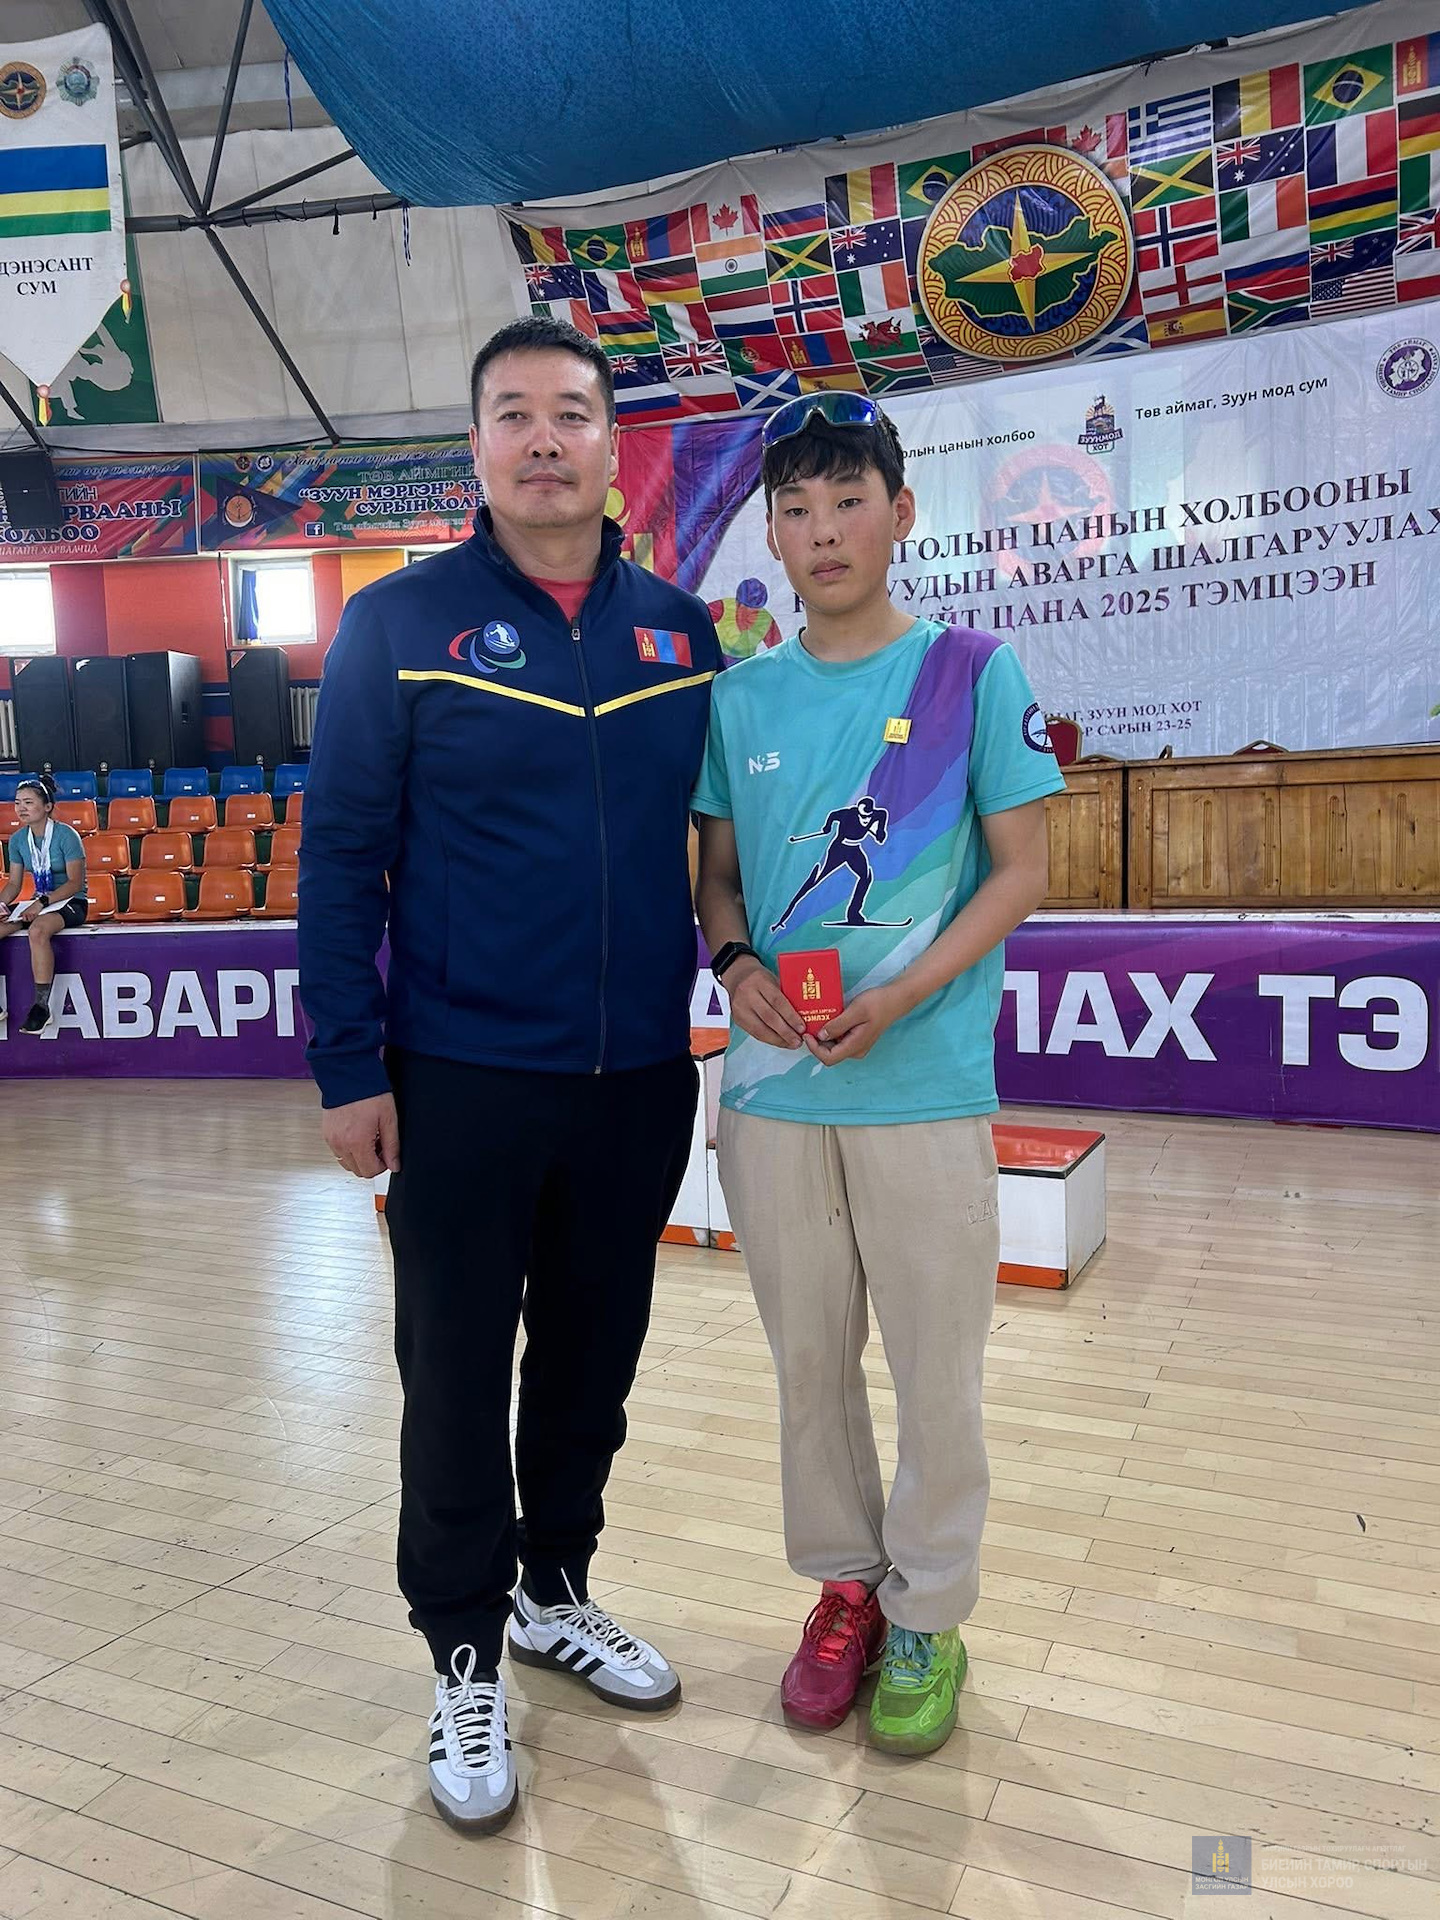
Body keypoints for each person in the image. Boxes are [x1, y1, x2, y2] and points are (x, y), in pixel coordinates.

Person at [298, 316, 724, 1835]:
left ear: (612, 444)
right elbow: (339, 857)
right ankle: (464, 1648)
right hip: (461, 1078)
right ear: (474, 446)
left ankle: (554, 1588)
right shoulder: (394, 624)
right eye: (514, 414)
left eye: (572, 413)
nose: (545, 439)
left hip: (638, 1079)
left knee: (594, 1366)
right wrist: (347, 1061)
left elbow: (722, 841)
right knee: (459, 1373)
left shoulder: (683, 631)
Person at [692, 392, 1063, 1757]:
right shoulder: (738, 697)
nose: (823, 530)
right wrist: (735, 961)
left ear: (900, 513)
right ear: (773, 537)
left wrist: (904, 994)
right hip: (772, 1093)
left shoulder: (972, 671)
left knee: (935, 1368)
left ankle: (931, 1611)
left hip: (924, 1083)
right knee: (809, 1363)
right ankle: (846, 1590)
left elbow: (1022, 870)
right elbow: (718, 878)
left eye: (849, 500)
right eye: (795, 509)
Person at [1, 774, 89, 1033]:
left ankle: (41, 1007)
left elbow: (75, 883)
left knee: (38, 930)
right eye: (17, 803)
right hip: (39, 901)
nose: (21, 808)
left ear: (47, 806)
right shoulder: (18, 840)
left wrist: (41, 903)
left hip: (71, 901)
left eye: (28, 802)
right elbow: (14, 884)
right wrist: (1, 905)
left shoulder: (66, 835)